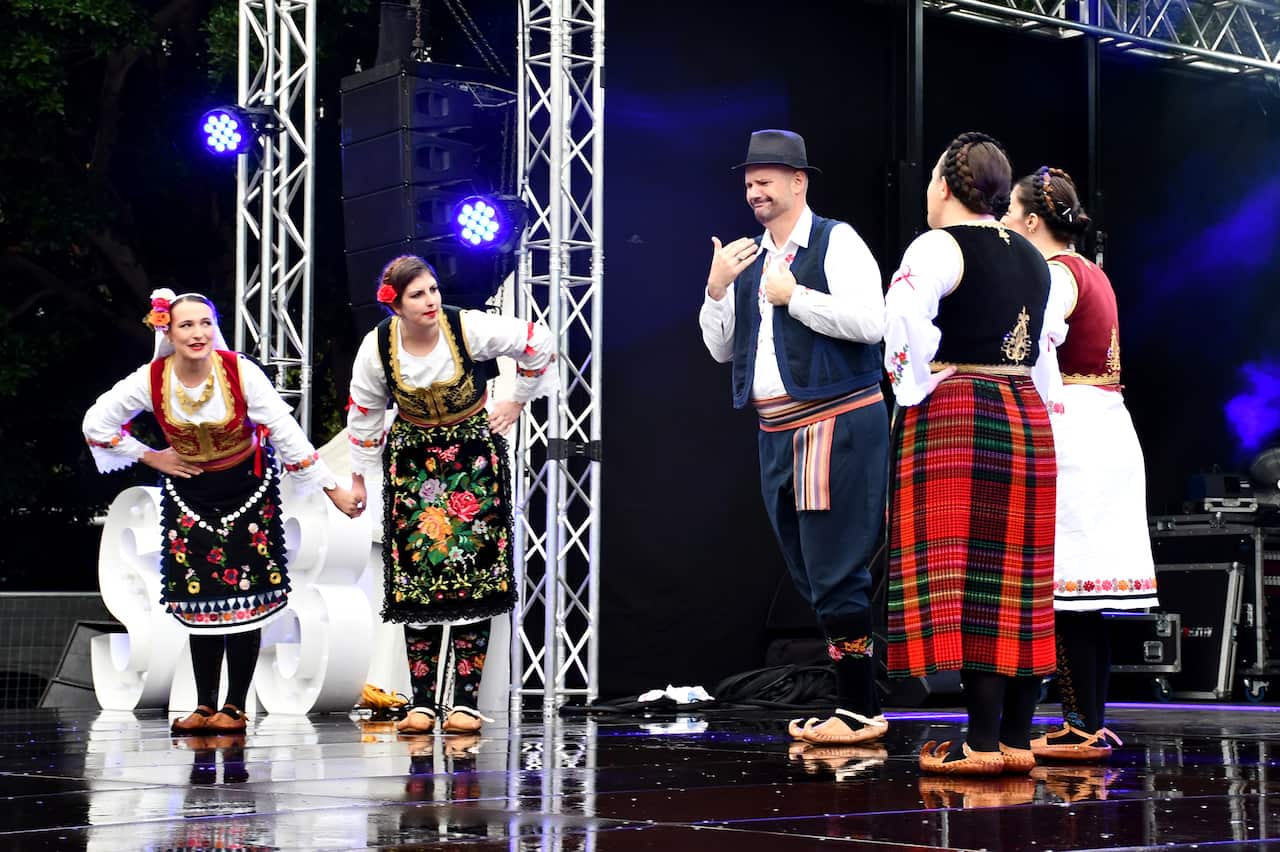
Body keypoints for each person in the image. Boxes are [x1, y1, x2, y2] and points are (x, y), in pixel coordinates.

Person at [83, 290, 354, 734]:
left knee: (245, 600)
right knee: (200, 598)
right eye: (186, 325)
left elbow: (285, 432)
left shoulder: (238, 372)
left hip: (247, 489)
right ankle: (205, 705)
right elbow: (96, 423)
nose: (198, 333)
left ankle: (235, 706)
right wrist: (152, 456)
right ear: (166, 331)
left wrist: (331, 488)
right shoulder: (151, 379)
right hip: (190, 495)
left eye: (205, 323)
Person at [700, 129, 890, 746]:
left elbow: (871, 323)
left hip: (834, 422)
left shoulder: (837, 241)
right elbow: (722, 348)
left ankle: (858, 708)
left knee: (835, 571)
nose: (754, 190)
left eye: (766, 179)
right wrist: (717, 290)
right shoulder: (747, 256)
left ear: (799, 182)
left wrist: (795, 296)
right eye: (749, 181)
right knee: (811, 573)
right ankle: (860, 694)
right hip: (778, 431)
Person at [882, 132, 1058, 776]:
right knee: (1020, 579)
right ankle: (1014, 736)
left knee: (974, 578)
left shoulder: (938, 245)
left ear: (947, 187)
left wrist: (915, 384)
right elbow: (1043, 355)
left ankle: (981, 743)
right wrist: (1042, 412)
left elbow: (900, 316)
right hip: (1027, 417)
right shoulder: (1036, 259)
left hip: (962, 410)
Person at [344, 255, 554, 735]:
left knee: (473, 576)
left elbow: (536, 341)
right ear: (394, 303)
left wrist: (515, 399)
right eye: (417, 294)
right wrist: (359, 476)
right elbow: (364, 411)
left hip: (472, 462)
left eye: (433, 290)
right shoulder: (378, 346)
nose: (431, 300)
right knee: (418, 579)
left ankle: (463, 702)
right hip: (414, 464)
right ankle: (421, 703)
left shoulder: (467, 328)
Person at [1003, 167, 1157, 761]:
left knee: (1068, 588)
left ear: (1032, 221)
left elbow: (1040, 334)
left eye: (1012, 215)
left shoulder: (1056, 274)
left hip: (1076, 428)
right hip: (1104, 424)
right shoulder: (1093, 271)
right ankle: (1085, 719)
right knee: (1082, 594)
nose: (1007, 225)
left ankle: (1078, 723)